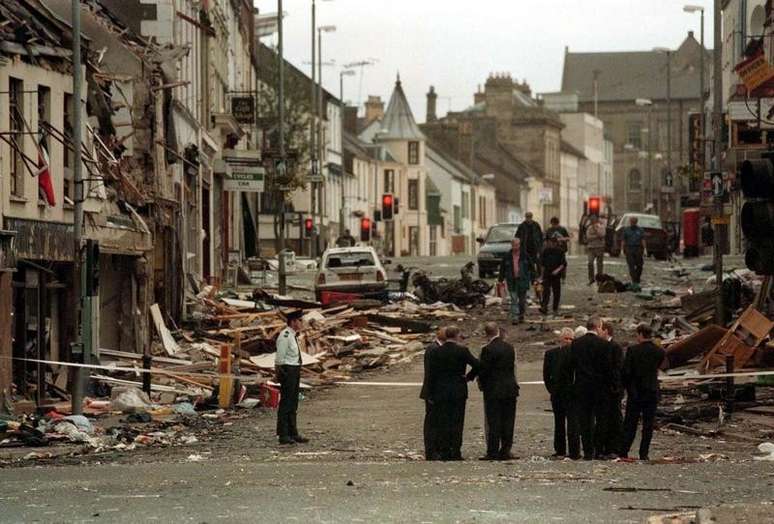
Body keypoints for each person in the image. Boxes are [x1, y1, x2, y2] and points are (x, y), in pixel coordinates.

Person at [420, 325, 479, 461]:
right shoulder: (462, 350)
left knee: (444, 422)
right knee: (457, 422)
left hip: (441, 391)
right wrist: (468, 377)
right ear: (457, 335)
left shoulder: (437, 351)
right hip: (458, 390)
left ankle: (445, 450)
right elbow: (478, 364)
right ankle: (456, 451)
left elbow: (431, 374)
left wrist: (431, 393)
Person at [568, 317, 611, 460]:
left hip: (581, 386)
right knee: (600, 418)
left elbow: (571, 365)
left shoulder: (576, 344)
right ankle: (598, 450)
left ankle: (587, 451)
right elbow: (607, 368)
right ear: (598, 327)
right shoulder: (603, 344)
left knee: (584, 420)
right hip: (599, 387)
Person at [621, 324, 665, 461]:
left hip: (636, 392)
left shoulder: (633, 350)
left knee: (630, 424)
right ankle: (644, 453)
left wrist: (627, 388)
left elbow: (627, 372)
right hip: (651, 390)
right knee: (648, 424)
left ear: (640, 334)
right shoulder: (659, 351)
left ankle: (624, 450)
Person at [478, 322, 519, 461]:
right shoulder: (510, 348)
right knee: (508, 420)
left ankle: (493, 451)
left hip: (493, 390)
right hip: (510, 388)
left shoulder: (487, 350)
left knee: (494, 421)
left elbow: (483, 370)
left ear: (486, 334)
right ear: (498, 332)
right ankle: (506, 449)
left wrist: (481, 384)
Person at [543, 328, 580, 459]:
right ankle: (560, 450)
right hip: (558, 393)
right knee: (559, 423)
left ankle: (574, 451)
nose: (569, 341)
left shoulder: (577, 354)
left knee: (573, 423)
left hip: (572, 393)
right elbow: (546, 375)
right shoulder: (551, 354)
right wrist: (552, 390)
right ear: (561, 339)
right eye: (566, 338)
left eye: (571, 339)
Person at [275, 310, 309, 445]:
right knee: (286, 403)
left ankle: (293, 432)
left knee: (293, 403)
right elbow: (280, 357)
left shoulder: (294, 336)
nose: (301, 323)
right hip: (287, 369)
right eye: (300, 320)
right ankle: (283, 434)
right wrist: (280, 373)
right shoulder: (285, 335)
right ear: (293, 322)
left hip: (294, 369)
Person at [420, 327, 447, 460]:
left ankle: (436, 448)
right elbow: (430, 373)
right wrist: (430, 393)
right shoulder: (434, 349)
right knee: (432, 423)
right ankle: (431, 450)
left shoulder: (436, 348)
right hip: (433, 392)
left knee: (437, 421)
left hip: (435, 391)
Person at [598, 321, 624, 458]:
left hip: (613, 390)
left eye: (600, 330)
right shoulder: (605, 346)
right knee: (604, 419)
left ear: (606, 331)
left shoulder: (615, 347)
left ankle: (614, 448)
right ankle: (605, 447)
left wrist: (616, 388)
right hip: (606, 390)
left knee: (614, 418)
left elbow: (617, 369)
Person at [498, 238, 534, 325]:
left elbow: (531, 267)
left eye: (517, 245)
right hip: (512, 280)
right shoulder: (507, 256)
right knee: (514, 299)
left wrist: (533, 279)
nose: (515, 247)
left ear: (519, 245)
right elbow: (502, 269)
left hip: (522, 280)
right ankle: (515, 318)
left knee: (522, 300)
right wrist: (500, 280)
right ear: (512, 245)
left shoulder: (525, 255)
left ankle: (521, 316)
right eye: (514, 245)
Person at [539, 236, 567, 316]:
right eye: (549, 243)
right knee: (546, 291)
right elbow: (542, 264)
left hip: (556, 276)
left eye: (551, 243)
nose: (550, 244)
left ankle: (555, 308)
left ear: (555, 243)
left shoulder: (560, 251)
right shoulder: (546, 251)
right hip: (547, 274)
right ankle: (544, 307)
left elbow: (563, 264)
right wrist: (541, 275)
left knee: (556, 292)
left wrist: (557, 271)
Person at [621, 216, 646, 287]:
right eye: (632, 221)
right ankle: (634, 280)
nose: (633, 223)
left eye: (634, 221)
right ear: (630, 222)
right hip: (629, 248)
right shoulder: (626, 230)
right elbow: (623, 240)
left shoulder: (640, 230)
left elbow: (643, 239)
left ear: (636, 222)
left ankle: (637, 278)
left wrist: (645, 249)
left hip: (638, 249)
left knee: (639, 265)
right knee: (631, 265)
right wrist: (622, 249)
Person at [585, 215, 606, 286]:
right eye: (591, 219)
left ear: (596, 220)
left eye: (593, 219)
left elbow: (602, 235)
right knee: (590, 263)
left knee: (599, 264)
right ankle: (591, 278)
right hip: (591, 248)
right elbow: (588, 237)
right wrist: (596, 236)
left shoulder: (601, 226)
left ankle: (599, 280)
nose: (592, 221)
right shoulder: (589, 228)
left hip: (600, 247)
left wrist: (596, 230)